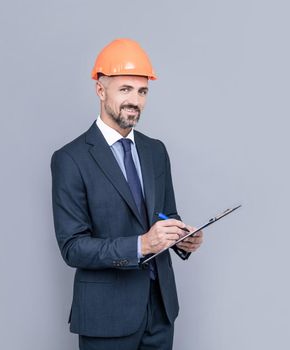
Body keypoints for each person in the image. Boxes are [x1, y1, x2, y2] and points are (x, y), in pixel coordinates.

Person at [51, 38, 204, 350]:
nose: (135, 100)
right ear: (100, 89)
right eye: (125, 89)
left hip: (160, 312)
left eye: (142, 91)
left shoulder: (155, 151)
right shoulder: (70, 159)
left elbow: (166, 214)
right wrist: (141, 245)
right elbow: (73, 247)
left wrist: (181, 237)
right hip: (106, 317)